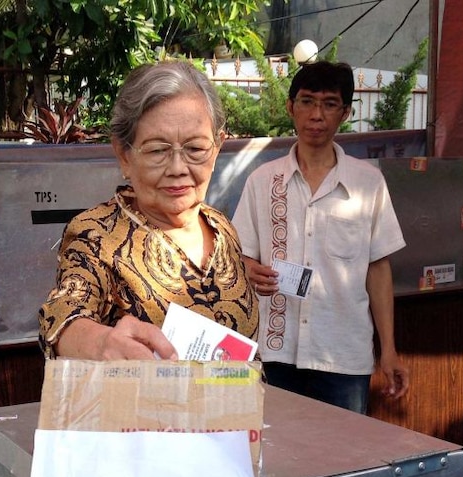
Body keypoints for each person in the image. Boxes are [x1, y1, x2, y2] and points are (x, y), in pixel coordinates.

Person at [39, 60, 259, 360]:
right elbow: (64, 315)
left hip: (237, 404)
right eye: (157, 150)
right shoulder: (96, 234)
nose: (178, 168)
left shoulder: (221, 228)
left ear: (217, 147)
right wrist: (101, 342)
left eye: (195, 149)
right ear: (124, 154)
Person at [231, 60, 409, 414]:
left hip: (342, 356)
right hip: (274, 351)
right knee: (277, 457)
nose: (316, 114)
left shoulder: (367, 183)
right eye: (307, 101)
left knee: (342, 460)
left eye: (329, 104)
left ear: (344, 113)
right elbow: (239, 255)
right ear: (290, 107)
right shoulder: (262, 182)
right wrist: (250, 269)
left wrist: (388, 349)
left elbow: (378, 268)